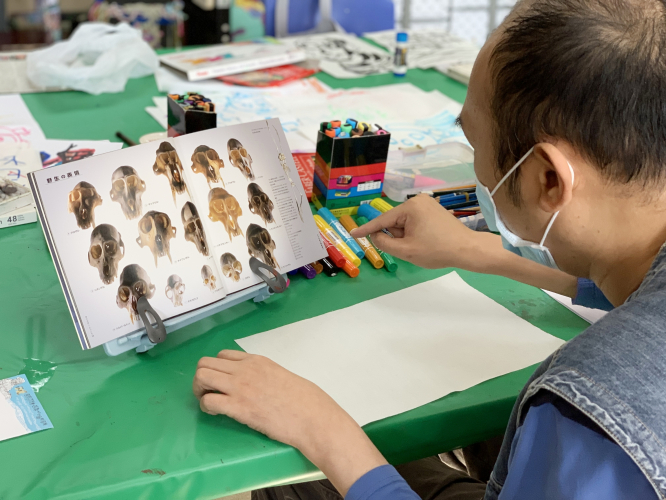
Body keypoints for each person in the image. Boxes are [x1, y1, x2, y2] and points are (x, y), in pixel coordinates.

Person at [192, 0, 666, 498]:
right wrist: (480, 251)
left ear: (547, 178)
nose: (476, 165)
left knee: (300, 479)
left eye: (472, 142)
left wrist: (318, 424)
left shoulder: (588, 419)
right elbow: (638, 291)